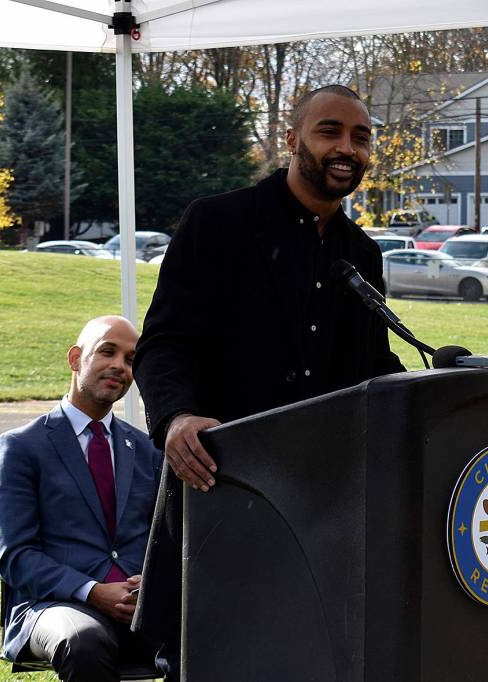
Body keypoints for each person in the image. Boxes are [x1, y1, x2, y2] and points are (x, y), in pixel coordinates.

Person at [131, 84, 406, 662]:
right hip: (223, 495)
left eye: (360, 137)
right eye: (329, 131)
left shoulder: (362, 253)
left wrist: (433, 392)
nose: (347, 148)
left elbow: (373, 367)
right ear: (291, 140)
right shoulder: (218, 223)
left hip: (326, 514)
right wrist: (176, 417)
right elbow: (163, 343)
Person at [0, 316, 164, 681]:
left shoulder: (148, 451)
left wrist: (145, 584)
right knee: (82, 639)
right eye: (107, 351)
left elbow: (161, 541)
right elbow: (17, 557)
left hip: (139, 604)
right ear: (75, 358)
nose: (119, 365)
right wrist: (92, 591)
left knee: (216, 624)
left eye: (131, 359)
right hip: (54, 605)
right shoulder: (22, 447)